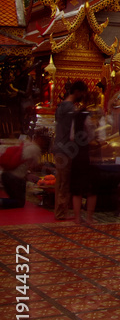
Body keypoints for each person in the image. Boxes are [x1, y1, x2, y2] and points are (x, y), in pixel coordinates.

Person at [53, 80, 87, 221]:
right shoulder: (70, 109)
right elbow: (73, 132)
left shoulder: (61, 106)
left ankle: (61, 210)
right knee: (64, 183)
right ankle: (61, 213)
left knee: (60, 181)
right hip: (66, 149)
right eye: (83, 93)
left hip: (58, 146)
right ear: (78, 92)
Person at [0, 130, 48, 209]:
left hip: (6, 175)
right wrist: (47, 168)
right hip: (16, 178)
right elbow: (34, 167)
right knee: (19, 202)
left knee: (15, 199)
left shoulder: (25, 143)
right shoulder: (35, 149)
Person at [70, 101, 98, 225]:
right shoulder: (89, 119)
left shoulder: (74, 118)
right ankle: (89, 218)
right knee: (91, 188)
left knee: (77, 189)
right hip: (87, 154)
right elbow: (92, 136)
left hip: (75, 154)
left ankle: (77, 218)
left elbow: (71, 137)